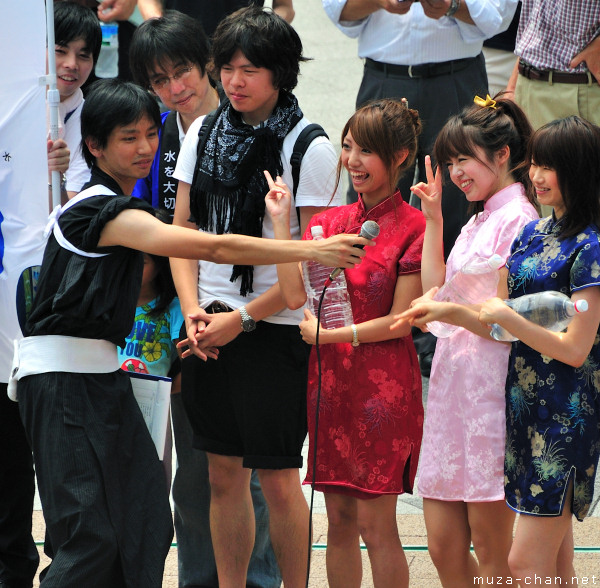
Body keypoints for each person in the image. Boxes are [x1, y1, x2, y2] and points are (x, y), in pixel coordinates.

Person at [8, 78, 369, 588]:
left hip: (102, 379)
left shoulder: (126, 210)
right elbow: (214, 248)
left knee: (147, 521)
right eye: (127, 137)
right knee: (91, 536)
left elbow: (151, 277)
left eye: (150, 135)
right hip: (63, 382)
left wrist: (197, 311)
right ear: (95, 145)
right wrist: (311, 252)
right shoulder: (97, 208)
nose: (144, 148)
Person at [170, 7, 342, 586]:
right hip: (207, 321)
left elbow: (312, 266)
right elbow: (182, 233)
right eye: (227, 68)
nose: (234, 81)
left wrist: (240, 320)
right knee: (221, 474)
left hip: (272, 329)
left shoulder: (307, 147)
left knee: (275, 477)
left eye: (249, 69)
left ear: (281, 74)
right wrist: (194, 310)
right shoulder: (202, 131)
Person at [400, 115, 600, 582]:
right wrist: (446, 307)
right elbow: (483, 315)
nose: (538, 175)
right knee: (551, 565)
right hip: (512, 401)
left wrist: (501, 316)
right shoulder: (532, 232)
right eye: (539, 164)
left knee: (520, 563)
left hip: (556, 409)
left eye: (551, 166)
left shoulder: (578, 242)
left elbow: (570, 346)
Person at [128, 13, 281, 587]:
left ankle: (258, 580)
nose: (175, 88)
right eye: (160, 79)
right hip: (171, 318)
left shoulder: (256, 127)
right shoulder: (154, 135)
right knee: (195, 473)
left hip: (247, 316)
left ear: (208, 66)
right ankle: (200, 579)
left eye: (184, 71)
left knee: (251, 471)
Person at [267, 99, 425, 588]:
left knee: (378, 526)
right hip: (331, 386)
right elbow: (295, 295)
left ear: (399, 156)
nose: (352, 160)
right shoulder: (327, 223)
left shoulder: (414, 228)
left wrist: (334, 334)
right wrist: (281, 224)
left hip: (383, 390)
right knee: (337, 522)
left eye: (367, 151)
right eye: (348, 147)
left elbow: (404, 322)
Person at [322, 0, 518, 376]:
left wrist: (451, 6)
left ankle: (438, 330)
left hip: (454, 76)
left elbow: (498, 17)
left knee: (457, 204)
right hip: (384, 75)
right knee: (368, 205)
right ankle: (361, 320)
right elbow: (336, 9)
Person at [405, 95, 539, 585]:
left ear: (502, 153)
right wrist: (435, 218)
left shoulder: (521, 220)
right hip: (450, 389)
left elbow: (512, 325)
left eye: (464, 158)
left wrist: (452, 312)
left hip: (492, 392)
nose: (456, 171)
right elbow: (432, 294)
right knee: (441, 545)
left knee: (493, 551)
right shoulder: (477, 218)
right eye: (449, 161)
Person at [507, 0, 600, 218]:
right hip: (527, 81)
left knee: (586, 213)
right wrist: (514, 84)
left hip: (579, 86)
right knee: (537, 206)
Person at [50, 1, 101, 199]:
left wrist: (55, 175)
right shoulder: (13, 106)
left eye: (83, 55)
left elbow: (69, 212)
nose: (72, 64)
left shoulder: (91, 122)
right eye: (60, 51)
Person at [136, 0, 295, 34]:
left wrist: (261, 28)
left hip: (242, 49)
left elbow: (284, 7)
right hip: (181, 52)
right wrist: (162, 31)